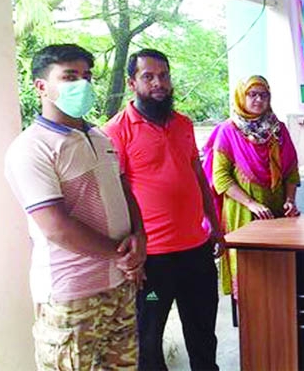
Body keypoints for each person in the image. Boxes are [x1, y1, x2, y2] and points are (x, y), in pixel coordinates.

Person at [5, 44, 145, 370]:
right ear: (41, 86)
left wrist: (141, 237)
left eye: (86, 76)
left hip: (120, 285)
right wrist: (124, 254)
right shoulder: (31, 148)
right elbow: (56, 228)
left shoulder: (100, 138)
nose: (81, 84)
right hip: (72, 296)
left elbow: (125, 191)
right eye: (69, 76)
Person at [104, 49, 223, 371]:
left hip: (195, 254)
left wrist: (215, 225)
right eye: (149, 76)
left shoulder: (183, 124)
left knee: (202, 334)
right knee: (148, 338)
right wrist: (130, 257)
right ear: (132, 83)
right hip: (152, 262)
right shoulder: (116, 131)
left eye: (164, 75)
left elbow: (198, 176)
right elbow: (115, 195)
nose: (159, 83)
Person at [201, 75, 300, 301]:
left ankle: (278, 324)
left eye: (263, 95)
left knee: (278, 277)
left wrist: (290, 200)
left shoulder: (279, 129)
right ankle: (252, 327)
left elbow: (291, 170)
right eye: (252, 94)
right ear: (241, 97)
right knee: (249, 277)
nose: (258, 99)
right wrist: (252, 204)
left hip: (277, 212)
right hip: (242, 213)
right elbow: (221, 178)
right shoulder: (228, 131)